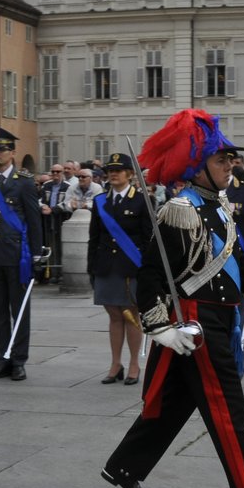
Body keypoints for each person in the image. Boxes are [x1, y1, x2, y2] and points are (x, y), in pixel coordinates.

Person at [97, 109, 244, 488]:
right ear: (198, 167)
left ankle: (123, 467)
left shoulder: (220, 206)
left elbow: (239, 264)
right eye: (221, 160)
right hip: (196, 323)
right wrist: (160, 328)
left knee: (173, 403)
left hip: (222, 317)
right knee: (226, 408)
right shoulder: (179, 210)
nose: (231, 165)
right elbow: (151, 276)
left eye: (230, 159)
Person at [0, 127, 40, 380]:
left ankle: (19, 360)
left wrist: (35, 255)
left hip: (18, 256)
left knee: (19, 310)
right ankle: (3, 358)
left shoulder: (24, 182)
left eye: (1, 150)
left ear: (13, 153)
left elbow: (34, 221)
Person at [89, 151, 149, 385]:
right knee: (114, 315)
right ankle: (115, 363)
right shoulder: (100, 201)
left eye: (118, 170)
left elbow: (148, 239)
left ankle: (134, 363)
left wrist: (146, 268)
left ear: (130, 174)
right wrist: (91, 267)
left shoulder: (142, 200)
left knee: (131, 315)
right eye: (109, 171)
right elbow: (94, 237)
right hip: (106, 266)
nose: (112, 174)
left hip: (131, 267)